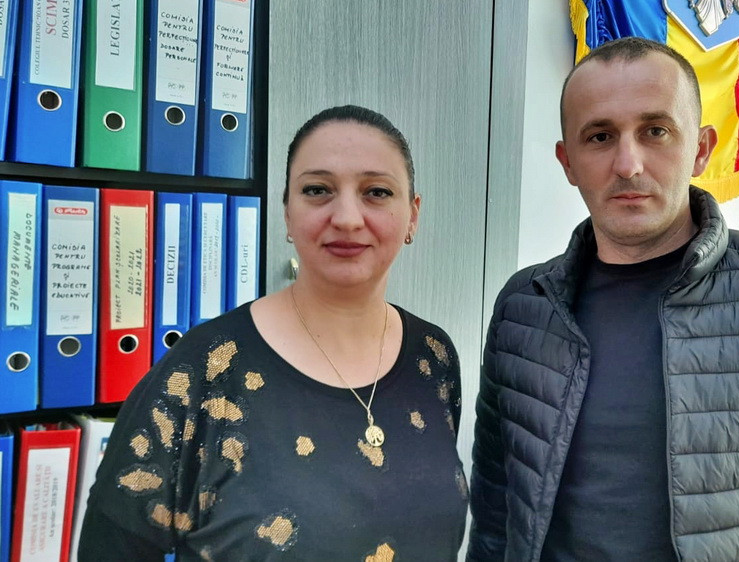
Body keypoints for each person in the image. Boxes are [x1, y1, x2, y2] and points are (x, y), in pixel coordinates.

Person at [468, 37, 739, 561]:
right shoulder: (524, 307)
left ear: (701, 149)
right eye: (600, 136)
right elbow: (495, 519)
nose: (628, 164)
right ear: (568, 163)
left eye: (655, 131)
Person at [80, 105, 468, 560]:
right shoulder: (203, 372)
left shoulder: (433, 356)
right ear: (286, 211)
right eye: (317, 190)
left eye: (377, 192)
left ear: (412, 215)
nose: (347, 217)